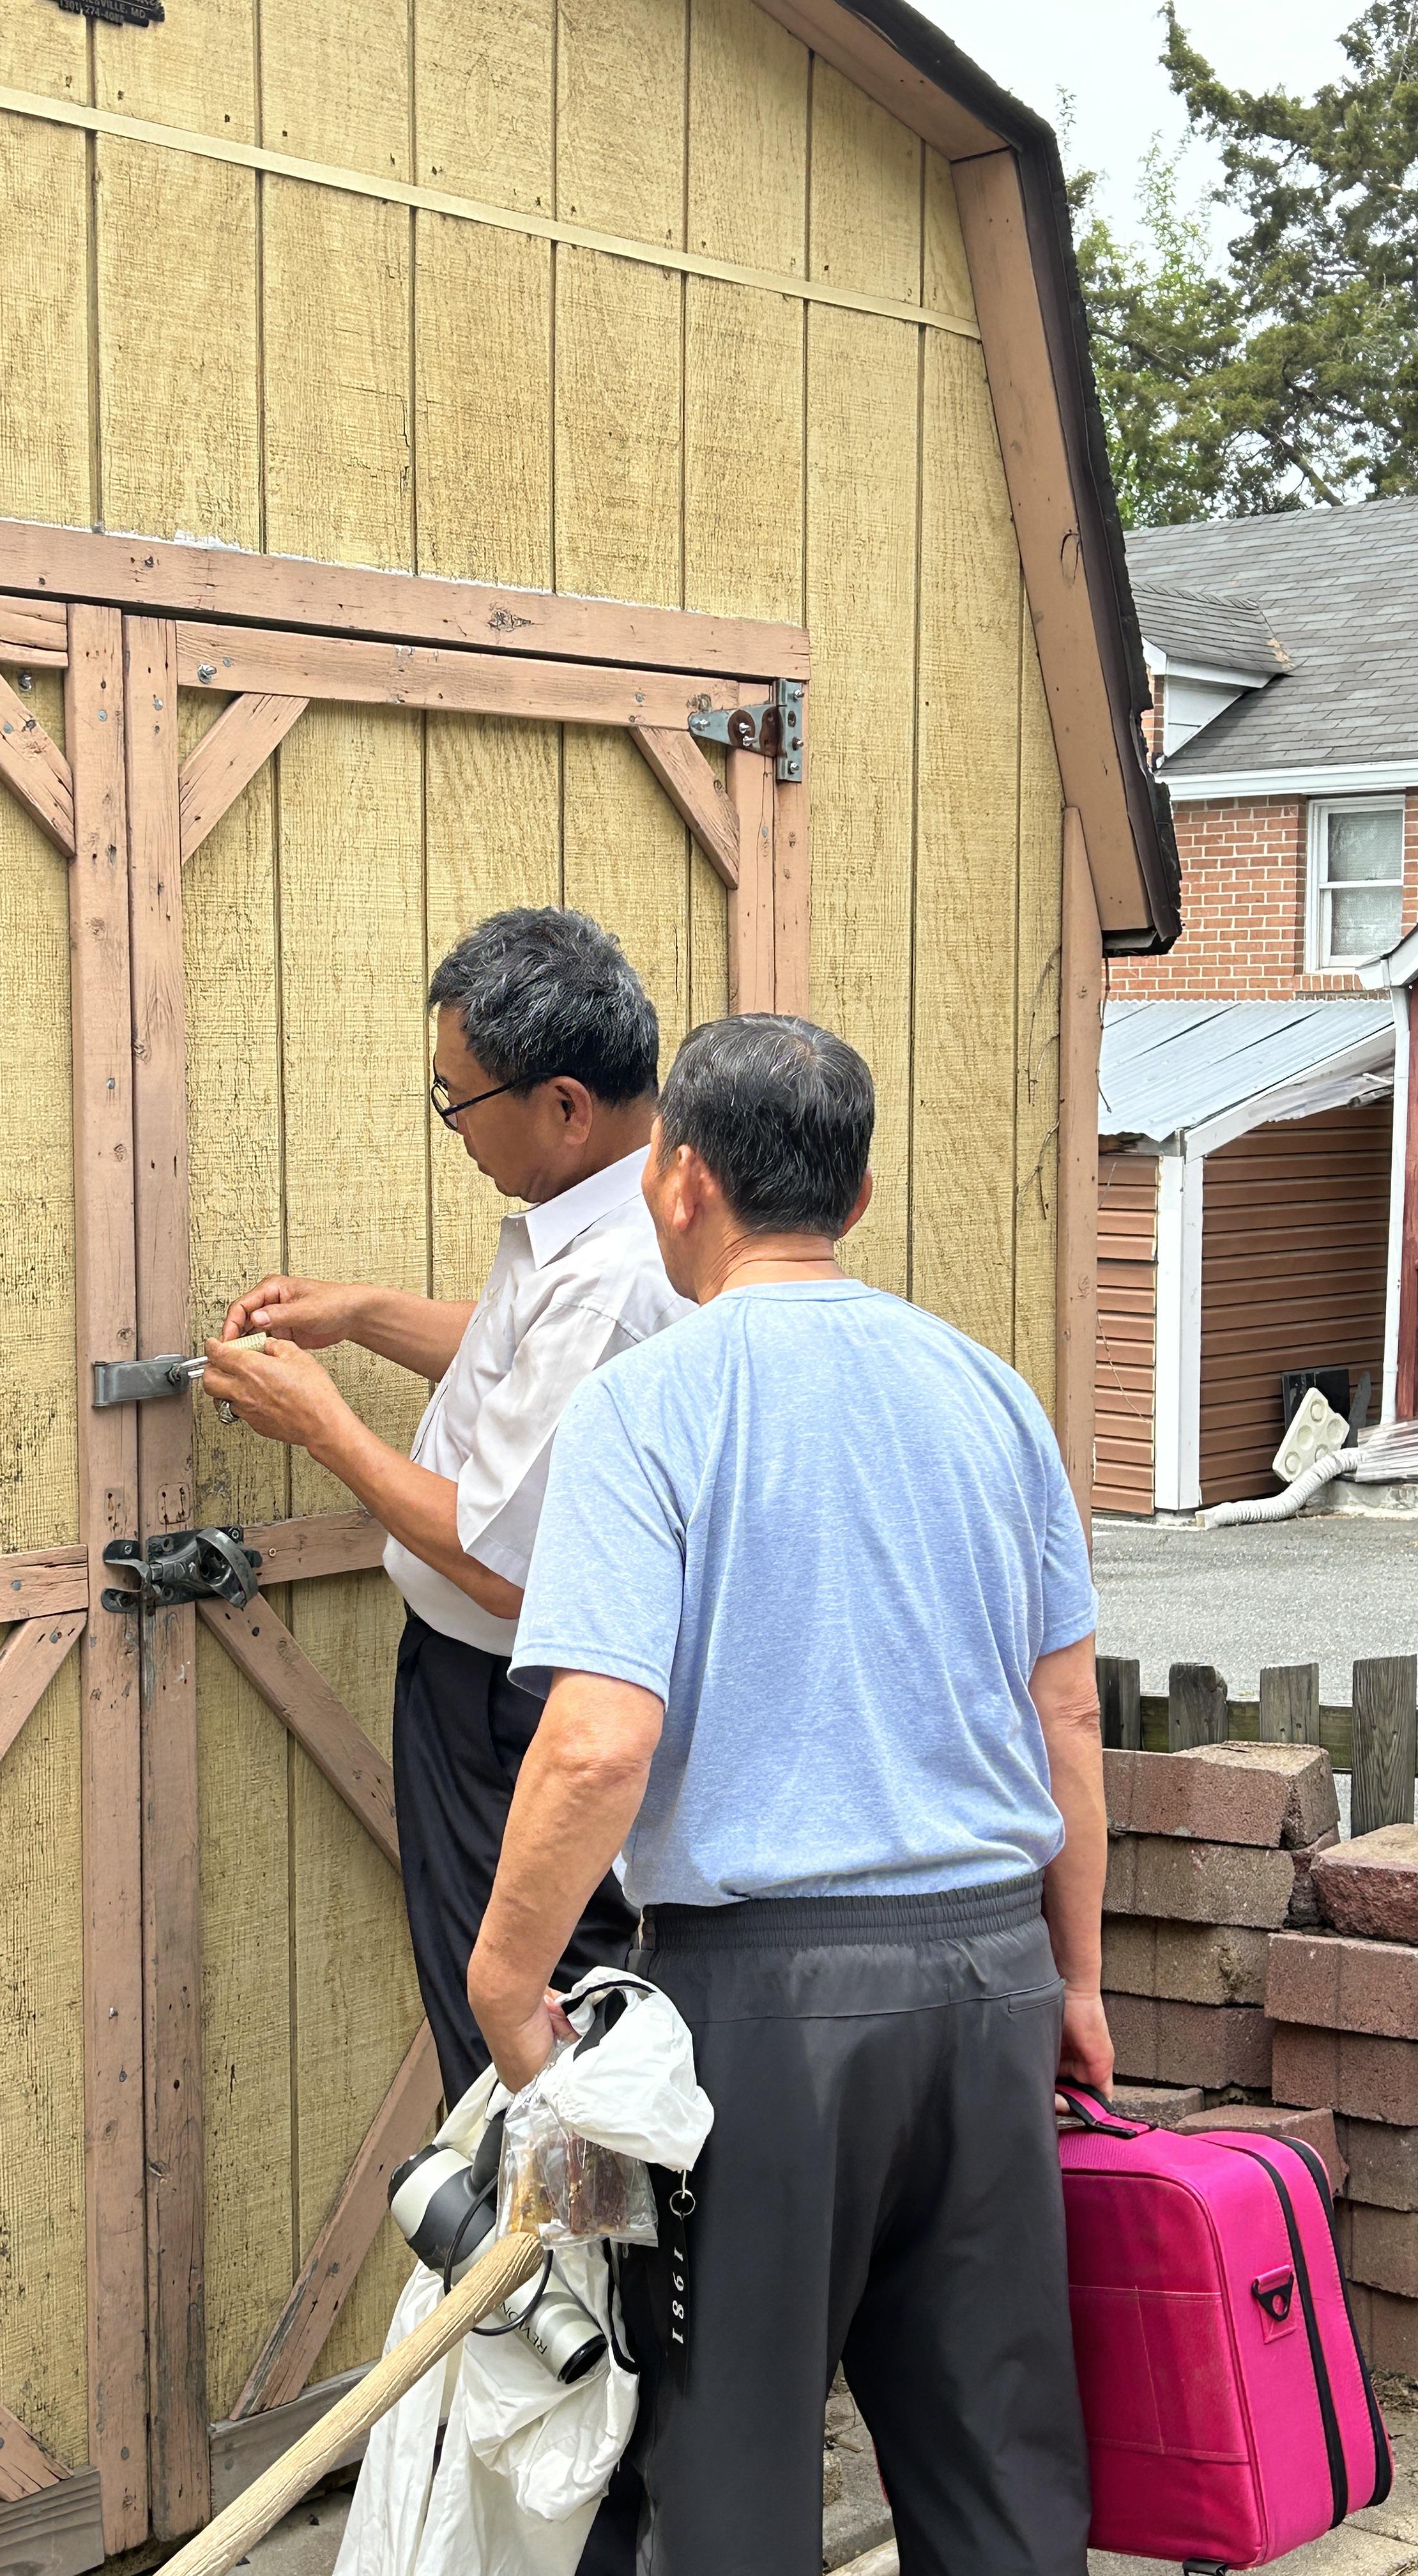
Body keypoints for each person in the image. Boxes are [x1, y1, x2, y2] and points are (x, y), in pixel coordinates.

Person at [466, 1012, 1110, 2576]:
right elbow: (1069, 1714)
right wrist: (1078, 1979)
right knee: (1001, 2474)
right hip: (991, 1981)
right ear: (860, 1196)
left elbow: (598, 1743)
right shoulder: (993, 1396)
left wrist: (503, 1978)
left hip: (768, 2011)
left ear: (678, 1180)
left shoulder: (648, 1406)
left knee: (735, 2486)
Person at [201, 908, 690, 2102]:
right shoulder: (602, 1220)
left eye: (459, 1099)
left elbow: (501, 1564)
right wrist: (367, 1315)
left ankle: (549, 2227)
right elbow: (528, 1367)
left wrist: (325, 1425)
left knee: (526, 2052)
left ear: (564, 1106)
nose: (455, 1125)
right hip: (482, 1691)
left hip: (508, 1706)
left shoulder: (613, 1276)